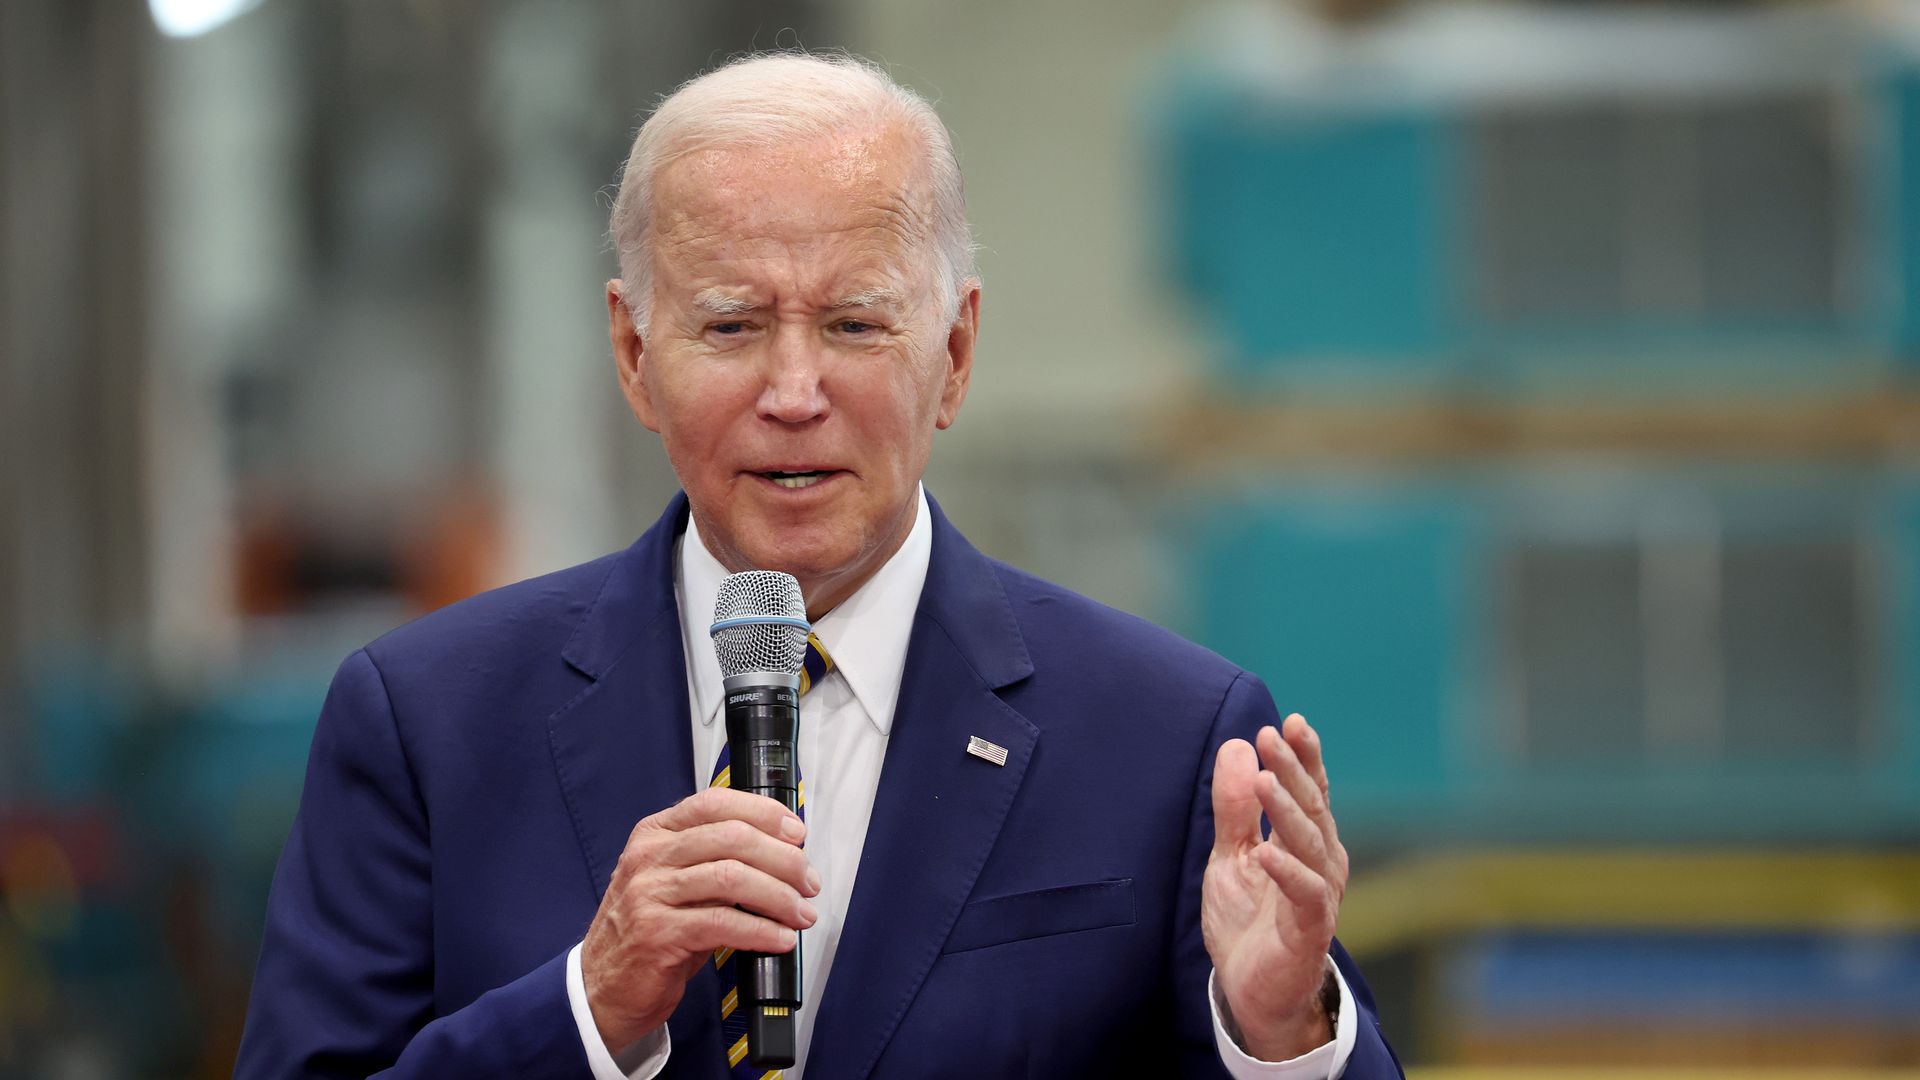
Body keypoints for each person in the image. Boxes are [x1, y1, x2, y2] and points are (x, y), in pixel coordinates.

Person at [234, 52, 1404, 1079]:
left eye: (854, 324)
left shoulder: (1171, 741)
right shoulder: (426, 725)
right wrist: (587, 1011)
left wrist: (1280, 1035)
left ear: (955, 353)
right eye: (731, 327)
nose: (794, 394)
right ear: (634, 354)